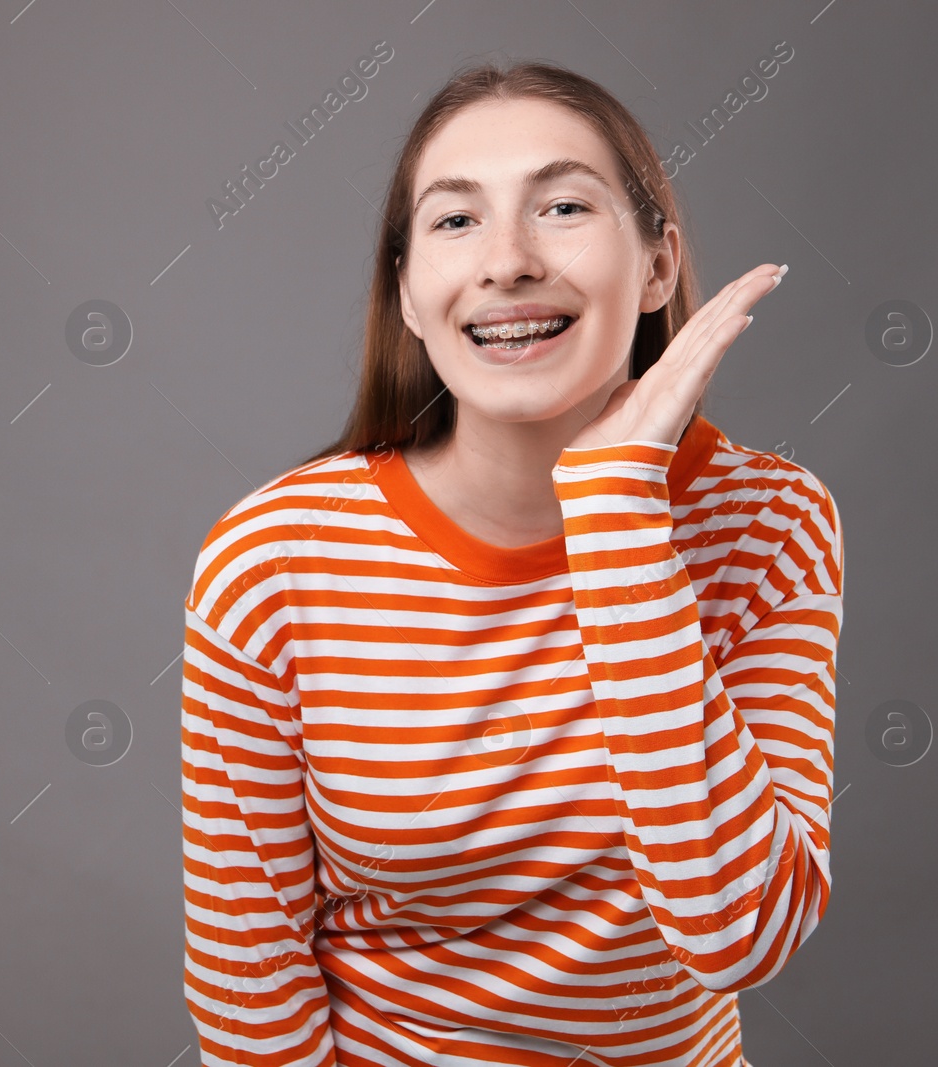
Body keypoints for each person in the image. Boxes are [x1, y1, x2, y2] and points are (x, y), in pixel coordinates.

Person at [180, 58, 844, 1067]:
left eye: (563, 205)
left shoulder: (768, 520)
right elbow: (250, 990)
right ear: (406, 293)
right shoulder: (272, 560)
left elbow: (737, 931)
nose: (507, 262)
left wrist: (618, 509)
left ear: (659, 266)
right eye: (454, 222)